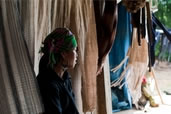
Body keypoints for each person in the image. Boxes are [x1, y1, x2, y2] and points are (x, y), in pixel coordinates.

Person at [37, 28, 79, 114]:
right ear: (63, 54)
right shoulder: (49, 85)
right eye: (74, 49)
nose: (77, 54)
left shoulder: (64, 77)